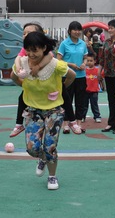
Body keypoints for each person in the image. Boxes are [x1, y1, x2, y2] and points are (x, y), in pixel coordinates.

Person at [11, 31, 76, 191]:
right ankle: (42, 159)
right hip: (33, 111)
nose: (32, 54)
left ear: (44, 48)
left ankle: (52, 176)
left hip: (54, 111)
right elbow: (13, 76)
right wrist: (24, 86)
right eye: (29, 50)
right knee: (32, 148)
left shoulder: (55, 65)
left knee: (49, 146)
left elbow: (72, 75)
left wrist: (61, 89)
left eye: (36, 50)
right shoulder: (23, 63)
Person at [10, 23, 45, 138]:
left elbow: (50, 57)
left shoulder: (44, 47)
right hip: (32, 83)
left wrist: (38, 66)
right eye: (23, 33)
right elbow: (18, 58)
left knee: (63, 92)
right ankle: (19, 124)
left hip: (46, 82)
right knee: (22, 98)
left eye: (28, 33)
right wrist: (18, 67)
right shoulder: (25, 48)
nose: (25, 35)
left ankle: (71, 119)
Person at [57, 21, 88, 135]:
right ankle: (66, 125)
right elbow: (58, 60)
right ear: (69, 31)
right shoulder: (64, 44)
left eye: (79, 30)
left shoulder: (82, 44)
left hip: (81, 76)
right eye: (74, 30)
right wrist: (71, 65)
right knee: (67, 100)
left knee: (80, 101)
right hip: (67, 76)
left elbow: (85, 57)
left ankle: (78, 124)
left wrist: (84, 64)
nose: (77, 32)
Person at [84, 52, 103, 123]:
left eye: (91, 61)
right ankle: (82, 116)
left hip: (94, 91)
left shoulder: (97, 70)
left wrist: (101, 85)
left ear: (95, 61)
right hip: (85, 91)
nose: (89, 62)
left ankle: (97, 116)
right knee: (84, 105)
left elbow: (101, 78)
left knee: (94, 104)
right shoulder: (84, 70)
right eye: (88, 61)